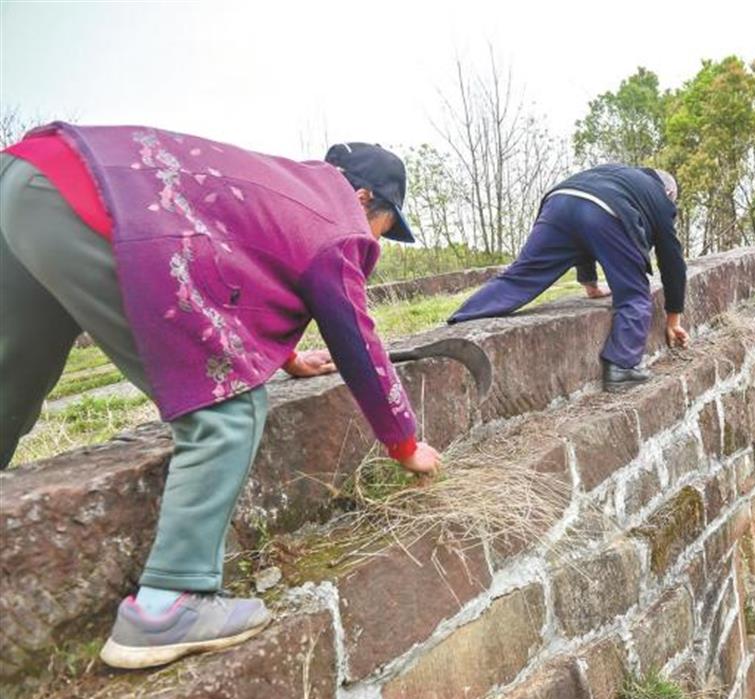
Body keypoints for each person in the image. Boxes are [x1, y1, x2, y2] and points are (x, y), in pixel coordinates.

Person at [0, 123, 441, 669]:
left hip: (29, 176)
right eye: (383, 226)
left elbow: (235, 270)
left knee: (12, 372)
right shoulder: (339, 220)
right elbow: (355, 336)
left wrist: (288, 357)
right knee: (229, 408)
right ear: (364, 198)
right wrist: (404, 442)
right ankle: (166, 606)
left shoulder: (287, 189)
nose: (374, 240)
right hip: (86, 202)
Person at [449, 164, 688, 392]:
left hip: (559, 201)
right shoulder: (659, 195)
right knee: (634, 295)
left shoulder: (618, 174)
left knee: (520, 276)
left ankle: (461, 320)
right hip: (605, 210)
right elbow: (672, 261)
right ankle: (622, 368)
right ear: (668, 192)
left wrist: (591, 286)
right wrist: (673, 319)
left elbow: (585, 234)